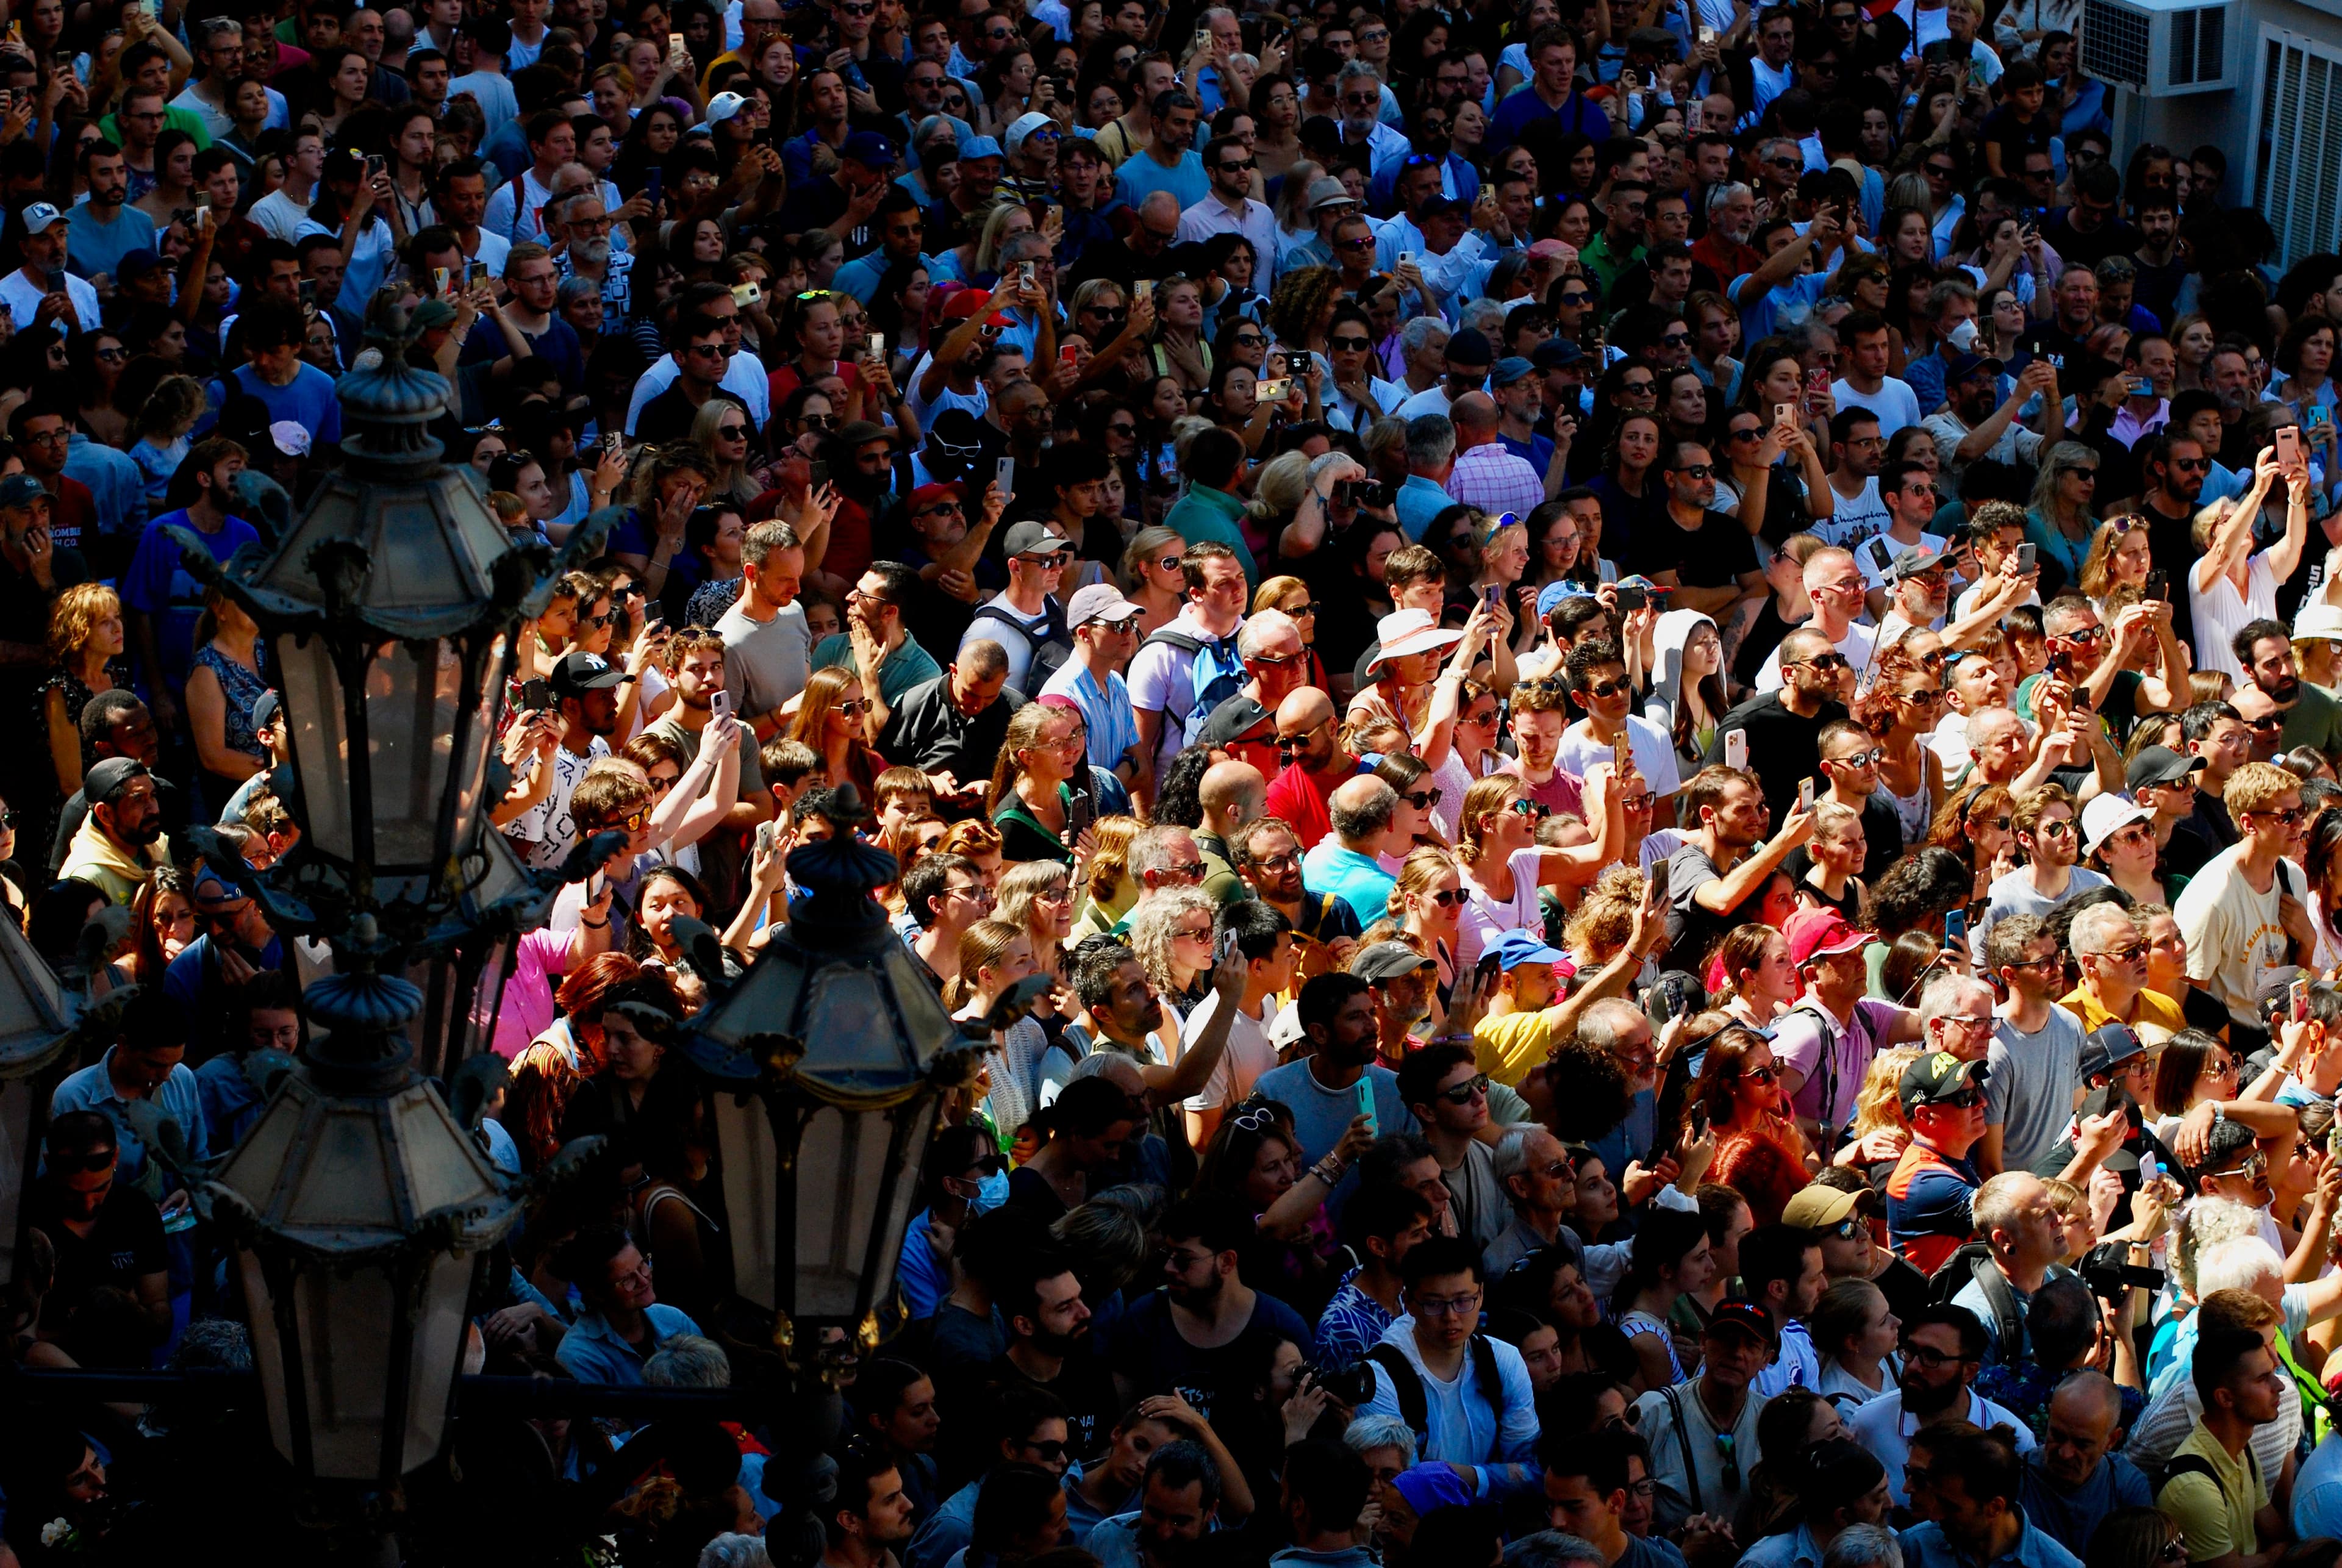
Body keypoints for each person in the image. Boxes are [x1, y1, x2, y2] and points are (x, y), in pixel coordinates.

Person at [1107, 1192, 1314, 1424]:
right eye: (1167, 1254)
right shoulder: (1144, 1319)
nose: (1169, 1268)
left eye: (1184, 1260)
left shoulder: (1282, 1327)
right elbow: (1121, 1420)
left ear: (1227, 1262)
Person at [1359, 1234, 1538, 1495]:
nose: (1451, 1317)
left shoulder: (1504, 1361)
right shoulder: (1378, 1378)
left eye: (1464, 1301)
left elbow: (1532, 1470)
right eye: (1434, 1304)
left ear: (1482, 1293)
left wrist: (1465, 1476)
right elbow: (1403, 1487)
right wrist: (1493, 1478)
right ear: (1408, 1301)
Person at [1844, 1306, 2036, 1506]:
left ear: (1969, 1372)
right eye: (1910, 1351)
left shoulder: (2015, 1440)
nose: (1914, 1367)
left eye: (1932, 1357)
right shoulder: (1870, 1423)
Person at [1631, 1301, 1772, 1525]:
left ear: (1766, 1359)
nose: (1736, 1353)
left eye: (1751, 1345)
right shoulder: (1656, 1411)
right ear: (1704, 1342)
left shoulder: (1771, 1421)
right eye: (1727, 1340)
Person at [1897, 1425, 2082, 1568]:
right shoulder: (1914, 1548)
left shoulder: (2057, 1564)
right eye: (1937, 1499)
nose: (1935, 1515)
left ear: (1995, 1507)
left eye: (1950, 1506)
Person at [552, 1221, 703, 1384]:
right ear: (596, 1294)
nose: (644, 1281)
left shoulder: (675, 1320)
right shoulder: (579, 1357)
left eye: (643, 1265)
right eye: (628, 1279)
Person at [2020, 1372, 2152, 1558]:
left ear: (2111, 1441)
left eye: (2082, 1444)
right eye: (2057, 1436)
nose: (2065, 1454)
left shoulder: (2127, 1489)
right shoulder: (2016, 1480)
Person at [1540, 1433, 1691, 1568]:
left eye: (1574, 1507)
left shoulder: (1664, 1563)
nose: (1557, 1522)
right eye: (1552, 1507)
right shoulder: (1524, 1559)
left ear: (1616, 1501)